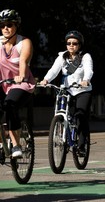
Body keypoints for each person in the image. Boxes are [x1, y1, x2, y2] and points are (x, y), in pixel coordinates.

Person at [40, 30, 93, 156]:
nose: (71, 45)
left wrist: (86, 80)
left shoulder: (85, 57)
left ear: (79, 45)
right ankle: (61, 127)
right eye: (68, 43)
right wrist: (46, 79)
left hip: (82, 90)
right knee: (61, 112)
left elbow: (89, 70)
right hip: (66, 89)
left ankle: (81, 146)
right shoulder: (62, 56)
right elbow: (54, 70)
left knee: (80, 116)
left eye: (74, 43)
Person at [0, 9, 36, 158]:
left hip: (22, 85)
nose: (5, 28)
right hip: (3, 84)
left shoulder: (24, 42)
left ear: (17, 26)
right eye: (2, 25)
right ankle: (2, 144)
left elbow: (23, 61)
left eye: (9, 24)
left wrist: (21, 75)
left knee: (9, 106)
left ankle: (16, 145)